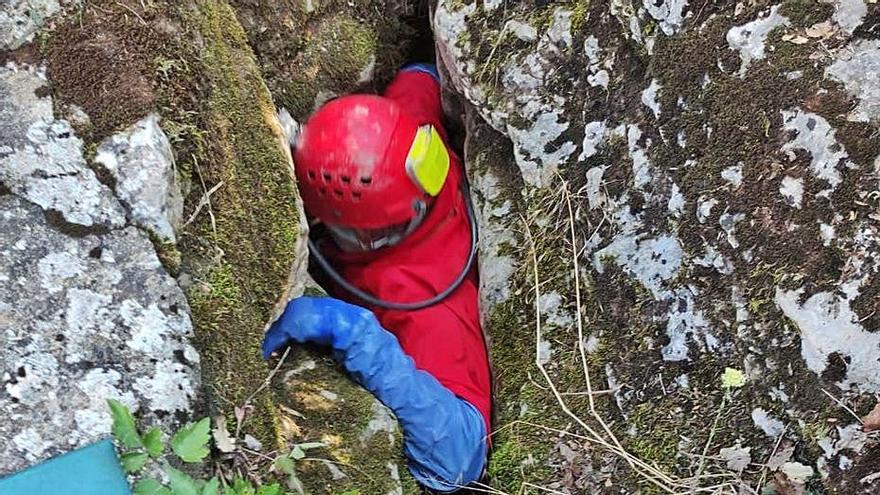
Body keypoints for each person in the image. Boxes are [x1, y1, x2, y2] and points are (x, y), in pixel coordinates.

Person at [261, 63, 492, 491]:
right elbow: (420, 75)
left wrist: (357, 335)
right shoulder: (411, 134)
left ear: (364, 232)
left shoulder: (428, 308)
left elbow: (461, 458)